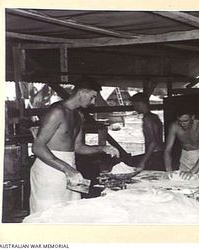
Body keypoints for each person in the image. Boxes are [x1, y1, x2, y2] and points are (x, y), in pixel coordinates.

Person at [29, 76, 120, 214]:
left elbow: (78, 147)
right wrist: (67, 169)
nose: (93, 102)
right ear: (82, 93)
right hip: (49, 171)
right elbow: (38, 147)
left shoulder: (78, 116)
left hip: (71, 169)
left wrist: (102, 148)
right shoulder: (57, 112)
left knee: (71, 213)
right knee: (47, 215)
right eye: (92, 97)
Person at [164, 106, 199, 180]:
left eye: (185, 121)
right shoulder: (174, 126)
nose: (182, 124)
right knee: (182, 184)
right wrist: (168, 170)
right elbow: (167, 150)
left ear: (192, 117)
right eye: (180, 121)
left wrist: (192, 172)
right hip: (185, 157)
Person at [129, 92, 165, 171]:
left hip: (155, 155)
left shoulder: (148, 119)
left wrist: (143, 162)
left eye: (134, 105)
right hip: (157, 154)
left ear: (140, 104)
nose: (134, 108)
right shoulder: (154, 117)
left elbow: (153, 142)